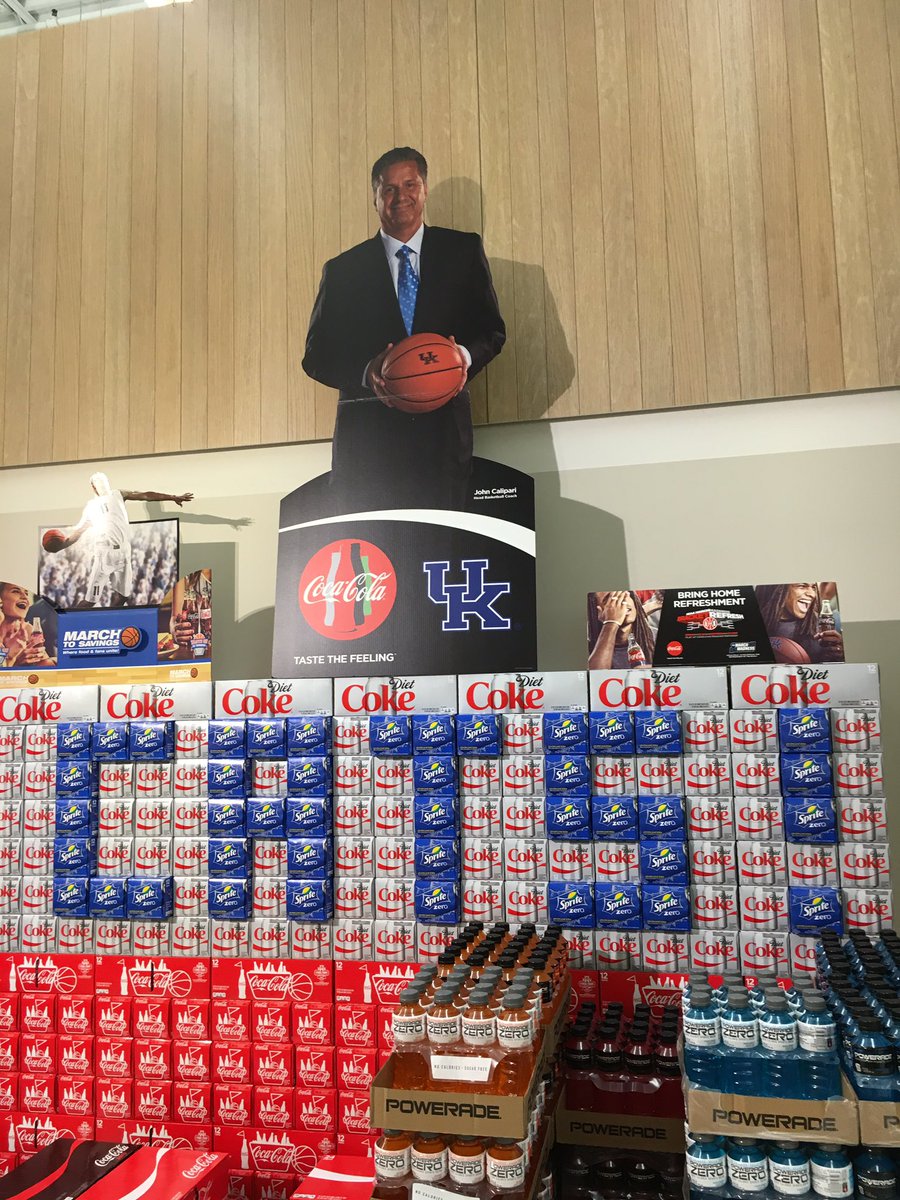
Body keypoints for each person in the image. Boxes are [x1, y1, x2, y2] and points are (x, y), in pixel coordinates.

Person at [302, 147, 506, 510]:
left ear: (424, 189)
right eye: (389, 189)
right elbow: (316, 355)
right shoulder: (343, 270)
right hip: (367, 448)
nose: (401, 196)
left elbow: (492, 330)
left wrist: (458, 358)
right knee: (372, 545)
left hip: (443, 442)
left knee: (441, 540)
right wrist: (366, 371)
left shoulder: (462, 250)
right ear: (375, 198)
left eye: (410, 185)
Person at [47, 473, 193, 608]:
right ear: (94, 487)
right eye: (99, 482)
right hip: (105, 554)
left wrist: (172, 497)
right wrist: (61, 545)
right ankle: (69, 622)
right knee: (91, 601)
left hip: (123, 551)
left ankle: (111, 619)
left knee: (124, 596)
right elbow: (78, 532)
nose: (102, 485)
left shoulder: (118, 494)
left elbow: (146, 495)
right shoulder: (93, 506)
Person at [755, 582, 844, 663]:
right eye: (802, 586)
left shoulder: (822, 626)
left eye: (813, 587)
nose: (812, 594)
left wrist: (839, 655)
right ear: (779, 589)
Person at [588, 590, 658, 670]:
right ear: (598, 612)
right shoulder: (588, 648)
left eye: (624, 595)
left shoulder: (658, 637)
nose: (622, 601)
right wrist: (611, 622)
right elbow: (596, 675)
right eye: (611, 599)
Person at [0, 583, 55, 668]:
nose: (25, 597)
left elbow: (46, 665)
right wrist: (15, 662)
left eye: (26, 593)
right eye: (15, 591)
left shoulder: (29, 630)